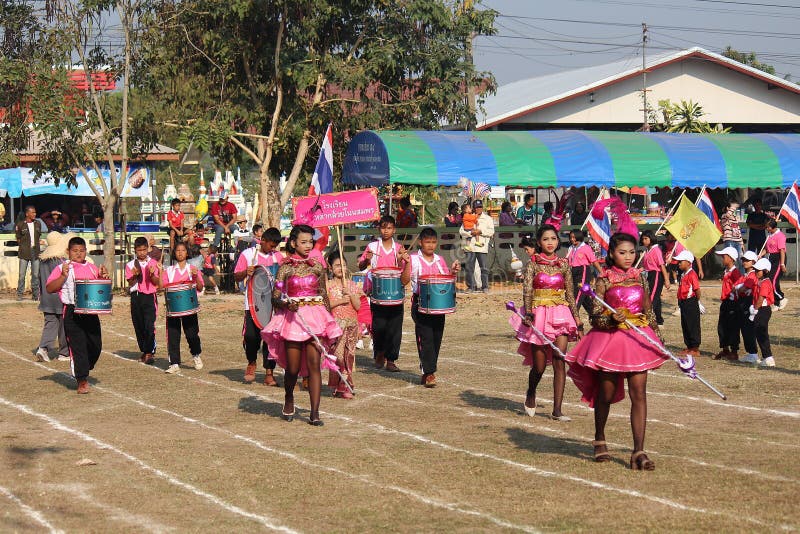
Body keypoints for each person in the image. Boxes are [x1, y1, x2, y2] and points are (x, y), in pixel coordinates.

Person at [565, 232, 666, 471]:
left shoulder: (640, 277)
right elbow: (595, 316)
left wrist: (659, 339)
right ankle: (600, 438)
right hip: (611, 340)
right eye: (623, 252)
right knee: (606, 394)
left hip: (638, 338)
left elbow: (648, 311)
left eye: (632, 252)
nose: (628, 257)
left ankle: (638, 451)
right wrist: (611, 317)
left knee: (639, 394)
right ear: (611, 253)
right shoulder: (604, 279)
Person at [262, 224, 343, 426]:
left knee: (315, 366)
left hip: (316, 319)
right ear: (293, 243)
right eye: (303, 242)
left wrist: (331, 323)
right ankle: (289, 397)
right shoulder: (285, 268)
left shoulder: (318, 266)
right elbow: (275, 296)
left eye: (310, 242)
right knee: (293, 368)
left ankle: (315, 412)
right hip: (293, 320)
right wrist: (285, 304)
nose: (308, 246)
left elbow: (323, 294)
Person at [510, 223, 582, 420]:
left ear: (558, 241)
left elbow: (570, 292)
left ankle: (557, 410)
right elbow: (528, 291)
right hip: (539, 315)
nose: (550, 242)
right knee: (539, 367)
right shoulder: (533, 264)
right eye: (545, 239)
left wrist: (578, 320)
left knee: (560, 360)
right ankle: (531, 391)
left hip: (561, 313)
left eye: (553, 238)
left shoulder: (564, 264)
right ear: (539, 242)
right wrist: (529, 313)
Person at [45, 236, 110, 393]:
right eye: (75, 251)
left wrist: (104, 277)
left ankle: (85, 366)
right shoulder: (63, 268)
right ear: (68, 252)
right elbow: (49, 288)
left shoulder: (92, 267)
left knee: (96, 345)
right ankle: (82, 380)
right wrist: (62, 276)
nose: (79, 254)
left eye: (81, 251)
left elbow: (100, 290)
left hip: (90, 312)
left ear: (86, 251)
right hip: (72, 312)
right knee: (78, 346)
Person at [407, 227, 460, 387]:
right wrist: (406, 264)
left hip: (438, 305)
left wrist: (453, 271)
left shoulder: (439, 260)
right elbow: (404, 280)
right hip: (420, 304)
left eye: (433, 242)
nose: (430, 245)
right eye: (427, 242)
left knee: (436, 337)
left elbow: (446, 280)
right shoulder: (413, 259)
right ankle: (429, 372)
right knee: (426, 338)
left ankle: (427, 368)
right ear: (421, 242)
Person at [357, 215, 409, 371]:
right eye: (383, 227)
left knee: (395, 326)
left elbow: (403, 270)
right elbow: (361, 266)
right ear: (379, 228)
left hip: (395, 292)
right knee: (378, 326)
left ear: (394, 229)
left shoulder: (399, 248)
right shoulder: (372, 247)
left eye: (389, 228)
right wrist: (367, 260)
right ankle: (379, 352)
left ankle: (391, 359)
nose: (386, 231)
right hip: (377, 292)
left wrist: (401, 259)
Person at [234, 227, 284, 386]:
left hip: (273, 305)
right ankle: (251, 362)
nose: (273, 248)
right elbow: (236, 275)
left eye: (276, 245)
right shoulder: (248, 255)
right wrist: (245, 273)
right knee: (250, 337)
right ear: (262, 241)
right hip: (253, 304)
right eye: (271, 245)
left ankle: (269, 373)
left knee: (271, 340)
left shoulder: (278, 257)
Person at [161, 242, 205, 374]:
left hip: (189, 306)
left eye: (183, 250)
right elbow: (161, 286)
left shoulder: (192, 268)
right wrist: (157, 272)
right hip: (173, 307)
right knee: (173, 335)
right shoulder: (169, 270)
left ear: (187, 252)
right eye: (178, 250)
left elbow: (200, 287)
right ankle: (174, 363)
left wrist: (196, 276)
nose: (180, 253)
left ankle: (196, 355)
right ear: (175, 253)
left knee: (192, 334)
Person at [36, 232, 76, 363]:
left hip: (46, 297)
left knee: (50, 323)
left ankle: (43, 348)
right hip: (59, 296)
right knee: (64, 325)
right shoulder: (61, 262)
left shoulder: (42, 261)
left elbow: (39, 279)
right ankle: (64, 353)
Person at [326, 253, 362, 399]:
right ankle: (340, 382)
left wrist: (351, 295)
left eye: (343, 265)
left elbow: (358, 306)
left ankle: (345, 383)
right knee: (338, 355)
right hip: (335, 325)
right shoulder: (327, 285)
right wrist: (341, 300)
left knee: (349, 354)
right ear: (330, 267)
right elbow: (326, 305)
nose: (341, 268)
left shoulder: (352, 285)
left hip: (352, 324)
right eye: (337, 265)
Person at [125, 236, 162, 365]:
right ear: (135, 250)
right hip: (136, 296)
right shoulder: (130, 264)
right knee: (138, 325)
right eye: (139, 250)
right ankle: (144, 350)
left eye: (144, 249)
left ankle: (149, 352)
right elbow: (130, 283)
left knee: (149, 325)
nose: (142, 252)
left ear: (148, 249)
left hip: (149, 296)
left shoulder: (153, 263)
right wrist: (135, 275)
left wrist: (152, 274)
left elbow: (157, 282)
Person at [459, 199, 495, 293]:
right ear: (473, 208)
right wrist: (471, 233)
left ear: (482, 207)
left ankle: (485, 286)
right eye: (476, 207)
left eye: (480, 207)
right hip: (470, 246)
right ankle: (471, 287)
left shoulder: (488, 219)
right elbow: (461, 231)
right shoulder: (467, 217)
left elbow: (491, 231)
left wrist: (481, 232)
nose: (478, 209)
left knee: (484, 267)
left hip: (481, 246)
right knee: (469, 267)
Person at [714, 246, 742, 361]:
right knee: (722, 326)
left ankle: (734, 351)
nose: (722, 259)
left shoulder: (735, 272)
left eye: (724, 257)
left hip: (732, 302)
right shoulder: (726, 271)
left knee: (733, 327)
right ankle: (725, 349)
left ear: (730, 258)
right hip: (725, 301)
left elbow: (740, 286)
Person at [567, 229, 602, 318]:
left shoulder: (586, 248)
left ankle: (572, 314)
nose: (572, 239)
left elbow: (593, 261)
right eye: (571, 237)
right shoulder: (571, 248)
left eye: (574, 237)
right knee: (585, 296)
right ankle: (595, 315)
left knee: (578, 292)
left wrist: (601, 272)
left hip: (583, 270)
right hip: (573, 271)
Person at [639, 230, 670, 325]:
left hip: (656, 274)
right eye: (643, 239)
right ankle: (659, 319)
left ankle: (648, 318)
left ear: (651, 239)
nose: (644, 241)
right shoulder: (648, 250)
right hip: (649, 274)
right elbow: (646, 265)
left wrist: (666, 280)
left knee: (651, 297)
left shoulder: (656, 250)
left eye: (646, 238)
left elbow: (661, 265)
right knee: (656, 297)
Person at [675, 249, 701, 357]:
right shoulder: (683, 274)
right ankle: (689, 345)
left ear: (689, 262)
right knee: (685, 324)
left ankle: (695, 347)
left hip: (691, 302)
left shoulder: (692, 274)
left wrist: (697, 301)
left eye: (681, 261)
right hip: (683, 303)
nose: (679, 263)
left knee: (692, 324)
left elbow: (697, 289)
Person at [751, 258, 775, 367]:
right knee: (759, 333)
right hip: (760, 309)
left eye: (758, 270)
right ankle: (766, 356)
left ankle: (768, 357)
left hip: (763, 310)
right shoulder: (760, 281)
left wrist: (754, 310)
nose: (756, 272)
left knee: (762, 332)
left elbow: (761, 298)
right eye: (755, 270)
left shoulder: (765, 283)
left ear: (765, 271)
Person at [737, 251, 761, 364]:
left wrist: (739, 287)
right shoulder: (745, 275)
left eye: (747, 260)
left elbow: (742, 289)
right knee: (744, 327)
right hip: (743, 302)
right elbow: (735, 287)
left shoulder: (752, 275)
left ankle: (753, 353)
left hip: (748, 302)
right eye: (743, 260)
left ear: (753, 262)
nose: (744, 262)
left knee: (748, 328)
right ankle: (751, 353)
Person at [16, 205, 42, 301]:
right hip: (24, 252)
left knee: (35, 274)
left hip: (35, 252)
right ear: (27, 214)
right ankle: (19, 295)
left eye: (35, 212)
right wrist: (24, 246)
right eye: (33, 212)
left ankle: (35, 296)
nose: (35, 214)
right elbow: (18, 238)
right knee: (22, 274)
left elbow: (38, 237)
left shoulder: (38, 223)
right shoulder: (20, 224)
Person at [762, 220, 787, 310]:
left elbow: (782, 250)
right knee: (768, 279)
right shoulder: (769, 236)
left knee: (773, 280)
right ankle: (775, 302)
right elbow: (767, 249)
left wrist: (782, 264)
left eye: (768, 227)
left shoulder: (780, 236)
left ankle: (781, 298)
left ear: (773, 227)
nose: (767, 228)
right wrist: (760, 255)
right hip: (771, 258)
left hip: (779, 258)